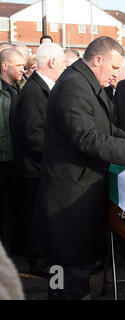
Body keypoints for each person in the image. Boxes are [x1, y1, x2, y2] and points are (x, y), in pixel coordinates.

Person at [28, 36, 125, 300]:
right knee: (65, 273)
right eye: (113, 68)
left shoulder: (85, 83)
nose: (115, 76)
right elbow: (85, 137)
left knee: (73, 270)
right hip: (67, 198)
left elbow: (105, 128)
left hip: (78, 191)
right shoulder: (74, 86)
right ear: (98, 60)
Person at [12, 43, 66, 270]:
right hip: (33, 169)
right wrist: (60, 151)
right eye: (63, 62)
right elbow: (32, 135)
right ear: (53, 62)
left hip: (38, 166)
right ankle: (38, 261)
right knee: (35, 218)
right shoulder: (35, 91)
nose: (65, 67)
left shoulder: (40, 87)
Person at [0, 49, 25, 242]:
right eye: (18, 66)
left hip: (14, 158)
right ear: (4, 66)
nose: (22, 70)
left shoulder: (18, 89)